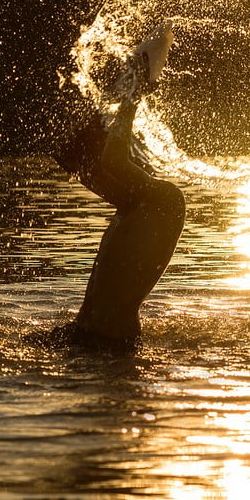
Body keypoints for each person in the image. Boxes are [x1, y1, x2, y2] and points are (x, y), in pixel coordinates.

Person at [35, 49, 185, 352]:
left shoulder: (165, 200)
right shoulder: (130, 207)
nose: (85, 178)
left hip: (111, 344)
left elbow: (112, 160)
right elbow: (83, 159)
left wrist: (134, 96)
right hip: (86, 336)